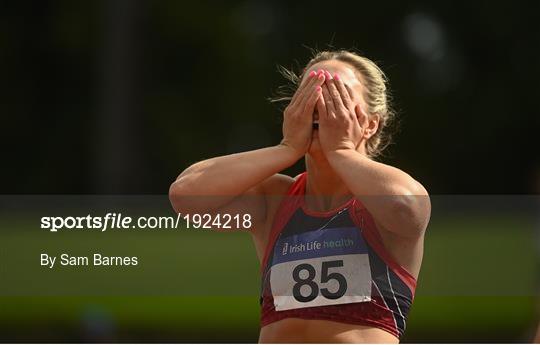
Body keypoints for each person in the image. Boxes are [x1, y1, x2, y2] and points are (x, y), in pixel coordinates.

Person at [169, 50, 431, 343]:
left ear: (370, 123)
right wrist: (287, 148)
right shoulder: (277, 199)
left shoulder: (382, 199)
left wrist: (341, 150)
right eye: (311, 92)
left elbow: (406, 208)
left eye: (338, 95)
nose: (320, 104)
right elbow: (186, 196)